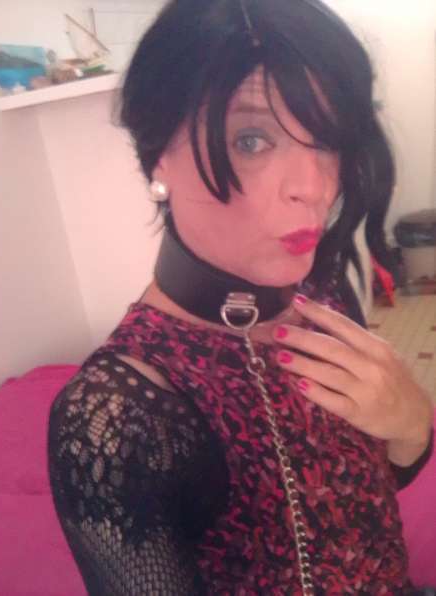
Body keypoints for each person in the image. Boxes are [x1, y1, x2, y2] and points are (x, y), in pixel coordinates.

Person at [48, 1, 434, 594]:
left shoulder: (322, 291)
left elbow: (359, 495)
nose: (314, 186)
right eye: (252, 140)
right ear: (158, 157)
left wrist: (410, 426)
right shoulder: (118, 417)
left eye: (328, 139)